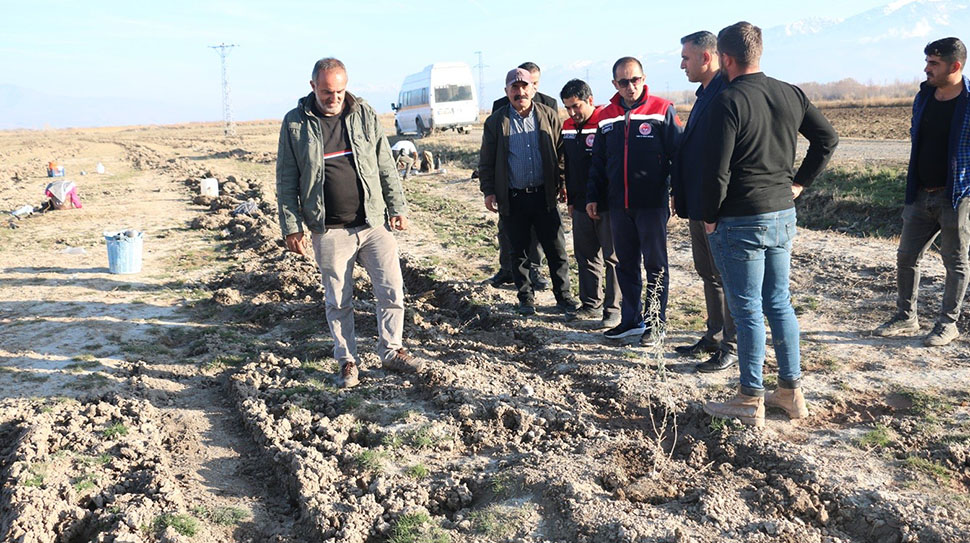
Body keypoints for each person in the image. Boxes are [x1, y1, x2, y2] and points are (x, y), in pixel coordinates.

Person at [700, 22, 838, 426]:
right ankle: (791, 392)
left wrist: (709, 216)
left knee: (746, 310)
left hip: (741, 218)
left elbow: (717, 171)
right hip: (782, 212)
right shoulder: (789, 92)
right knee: (778, 302)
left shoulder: (728, 100)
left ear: (725, 58)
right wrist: (799, 183)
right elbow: (827, 139)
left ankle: (748, 398)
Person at [276, 57, 421, 389]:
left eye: (340, 90)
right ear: (313, 86)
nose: (335, 98)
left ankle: (392, 350)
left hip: (373, 222)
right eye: (327, 92)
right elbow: (286, 179)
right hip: (328, 229)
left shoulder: (363, 113)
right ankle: (347, 361)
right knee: (338, 300)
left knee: (391, 289)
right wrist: (291, 226)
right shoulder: (296, 123)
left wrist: (397, 206)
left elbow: (385, 162)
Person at [873, 37, 970, 347]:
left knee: (954, 261)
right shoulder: (924, 96)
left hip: (956, 196)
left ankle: (947, 323)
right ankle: (906, 317)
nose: (926, 68)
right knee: (906, 256)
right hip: (920, 193)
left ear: (954, 66)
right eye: (927, 61)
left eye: (933, 63)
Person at [587, 56, 683, 346]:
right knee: (625, 264)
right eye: (624, 82)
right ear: (615, 84)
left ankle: (655, 323)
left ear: (643, 79)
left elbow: (677, 155)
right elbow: (599, 161)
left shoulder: (661, 109)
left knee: (655, 265)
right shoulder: (607, 115)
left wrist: (677, 192)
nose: (631, 86)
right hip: (619, 204)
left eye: (635, 80)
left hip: (651, 203)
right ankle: (631, 321)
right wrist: (593, 195)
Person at [479, 67, 581, 316]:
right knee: (519, 252)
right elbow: (486, 161)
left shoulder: (548, 116)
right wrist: (489, 191)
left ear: (534, 88)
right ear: (507, 92)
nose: (520, 92)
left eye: (525, 87)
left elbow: (561, 153)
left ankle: (564, 297)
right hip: (513, 197)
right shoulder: (496, 122)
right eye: (514, 88)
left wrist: (564, 184)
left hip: (544, 195)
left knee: (556, 250)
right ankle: (526, 298)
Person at [671, 31, 737, 373]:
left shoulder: (726, 95)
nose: (682, 64)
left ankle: (732, 345)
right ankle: (713, 335)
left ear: (707, 58)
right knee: (707, 272)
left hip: (718, 207)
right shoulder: (704, 95)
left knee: (726, 276)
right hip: (698, 203)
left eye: (686, 58)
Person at [560, 79, 621, 328]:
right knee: (586, 256)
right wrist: (572, 199)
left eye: (576, 106)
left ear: (590, 100)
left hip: (607, 203)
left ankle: (614, 309)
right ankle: (590, 304)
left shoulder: (606, 122)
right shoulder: (567, 127)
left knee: (612, 258)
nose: (573, 113)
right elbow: (570, 168)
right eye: (568, 108)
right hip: (580, 203)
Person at [488, 61, 553, 290]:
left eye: (533, 83)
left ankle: (535, 270)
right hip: (511, 187)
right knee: (507, 230)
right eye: (519, 85)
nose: (524, 90)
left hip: (540, 186)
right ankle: (507, 269)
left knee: (539, 234)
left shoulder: (548, 107)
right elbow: (490, 153)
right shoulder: (499, 110)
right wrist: (491, 189)